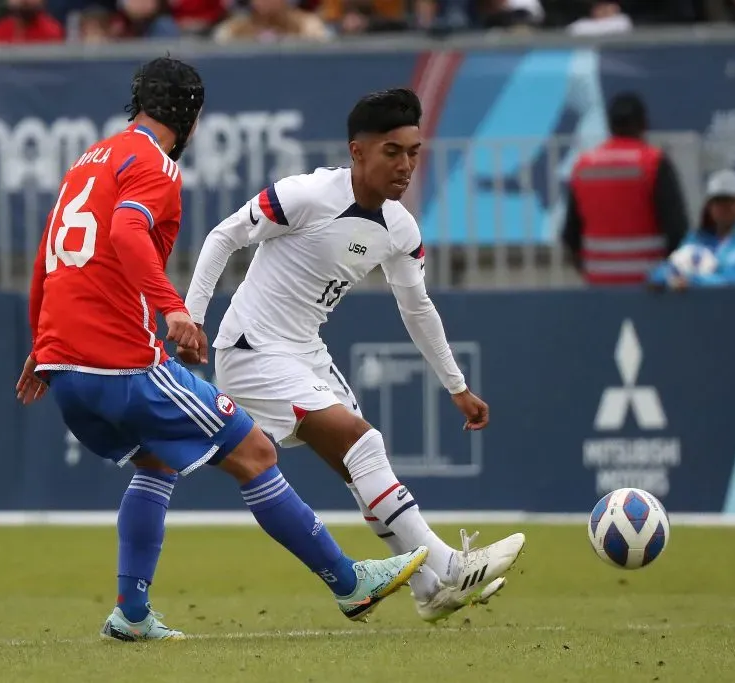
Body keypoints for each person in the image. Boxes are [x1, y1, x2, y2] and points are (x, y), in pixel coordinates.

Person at [14, 58, 428, 642]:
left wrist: (40, 345)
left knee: (156, 461)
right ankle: (348, 582)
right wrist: (174, 307)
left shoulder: (89, 161)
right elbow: (126, 233)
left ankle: (131, 615)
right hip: (120, 361)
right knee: (256, 452)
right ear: (188, 115)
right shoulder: (153, 165)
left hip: (65, 365)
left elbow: (45, 257)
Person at [181, 88, 526, 624]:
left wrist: (456, 385)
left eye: (414, 152)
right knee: (363, 442)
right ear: (357, 151)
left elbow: (418, 308)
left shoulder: (401, 228)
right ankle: (450, 565)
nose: (406, 165)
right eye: (393, 151)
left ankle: (429, 590)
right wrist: (191, 316)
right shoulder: (306, 195)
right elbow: (223, 237)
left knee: (362, 466)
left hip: (305, 353)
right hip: (252, 349)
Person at [561, 92, 689, 285]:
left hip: (600, 282)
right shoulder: (654, 163)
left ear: (610, 125)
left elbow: (570, 234)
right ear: (643, 123)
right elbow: (677, 230)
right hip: (650, 285)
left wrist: (589, 269)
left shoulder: (583, 166)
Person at [648, 169, 735, 289]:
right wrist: (665, 279)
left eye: (730, 201)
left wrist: (695, 281)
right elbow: (667, 269)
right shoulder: (698, 238)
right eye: (717, 201)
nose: (723, 207)